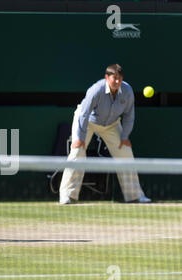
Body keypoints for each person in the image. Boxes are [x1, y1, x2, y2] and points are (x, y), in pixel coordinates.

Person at [59, 64, 151, 205]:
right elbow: (83, 114)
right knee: (77, 152)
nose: (117, 82)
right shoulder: (96, 90)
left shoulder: (127, 91)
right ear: (107, 77)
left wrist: (124, 136)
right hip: (88, 121)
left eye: (120, 79)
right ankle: (67, 196)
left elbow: (129, 115)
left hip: (112, 125)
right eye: (114, 78)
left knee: (125, 153)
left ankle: (135, 196)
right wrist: (80, 137)